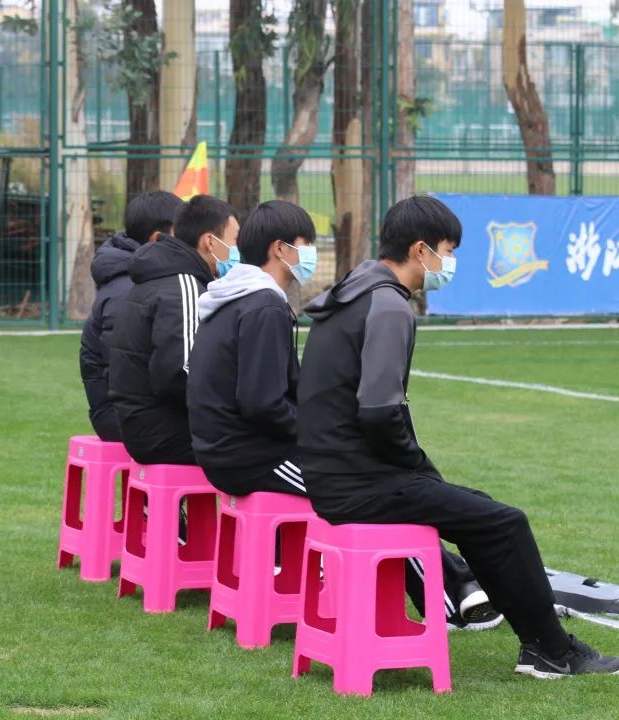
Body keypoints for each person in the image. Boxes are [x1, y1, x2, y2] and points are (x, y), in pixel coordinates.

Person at [297, 195, 619, 678]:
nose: (450, 262)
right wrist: (415, 464)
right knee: (505, 522)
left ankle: (512, 623)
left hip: (333, 475)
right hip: (357, 483)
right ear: (421, 250)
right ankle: (552, 650)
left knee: (481, 510)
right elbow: (380, 413)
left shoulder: (351, 292)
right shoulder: (387, 305)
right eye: (448, 250)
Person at [187, 199, 497, 630]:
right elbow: (262, 404)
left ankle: (458, 580)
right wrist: (322, 435)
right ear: (280, 249)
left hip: (227, 447)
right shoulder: (263, 305)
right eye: (306, 244)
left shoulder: (238, 296)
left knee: (379, 480)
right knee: (375, 489)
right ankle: (452, 597)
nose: (311, 254)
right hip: (248, 456)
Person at [109, 194, 238, 465]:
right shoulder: (183, 285)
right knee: (268, 443)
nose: (238, 250)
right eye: (234, 241)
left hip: (143, 425)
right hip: (164, 432)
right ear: (210, 242)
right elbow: (182, 372)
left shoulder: (158, 276)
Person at [80, 191, 183, 442]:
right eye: (183, 233)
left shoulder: (140, 280)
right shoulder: (127, 290)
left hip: (136, 410)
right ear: (158, 238)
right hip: (122, 416)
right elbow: (123, 373)